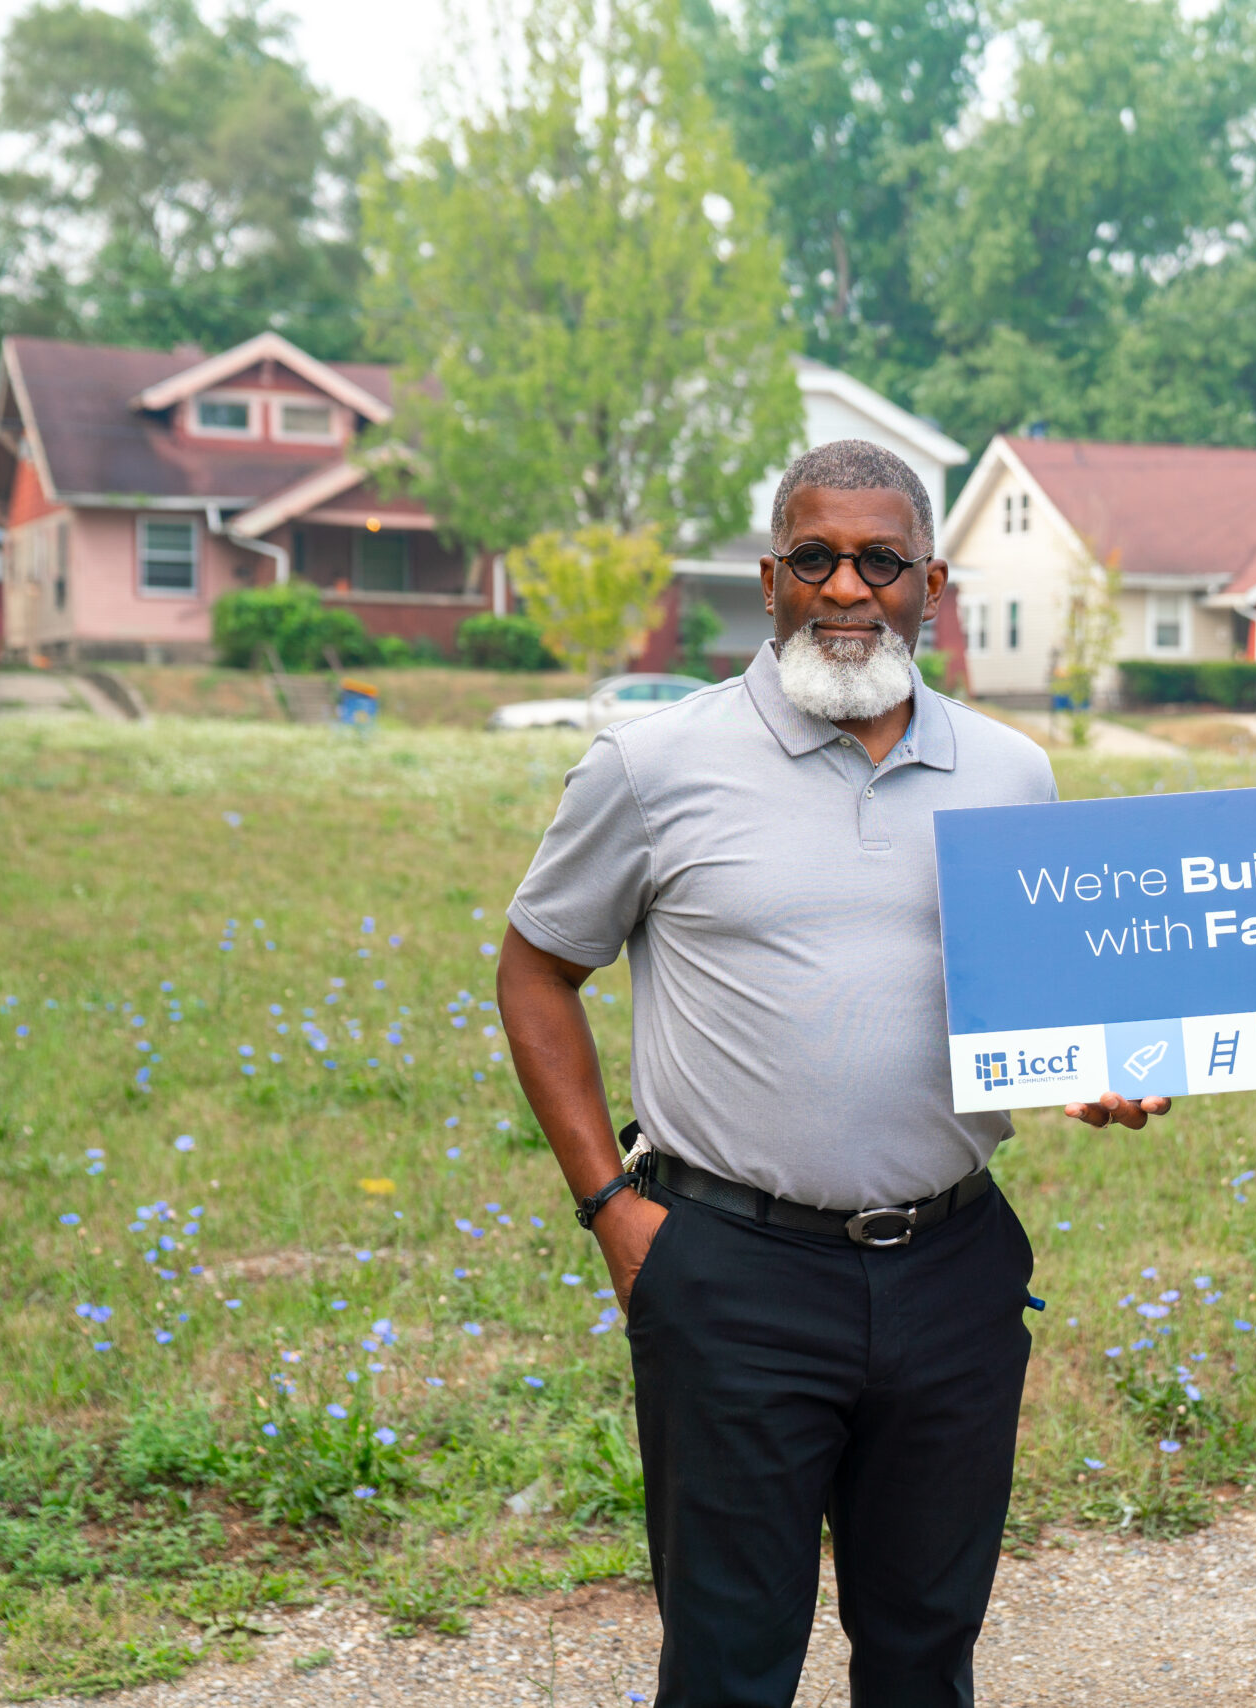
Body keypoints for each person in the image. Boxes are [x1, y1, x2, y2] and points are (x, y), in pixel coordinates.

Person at [498, 440, 1084, 1708]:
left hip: (954, 1269)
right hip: (731, 1274)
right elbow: (535, 970)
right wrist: (611, 1211)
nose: (846, 588)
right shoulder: (651, 765)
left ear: (930, 586)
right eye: (814, 558)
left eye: (881, 562)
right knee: (727, 1662)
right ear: (769, 582)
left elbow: (1039, 1001)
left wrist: (1102, 1069)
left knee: (926, 1653)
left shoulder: (1011, 774)